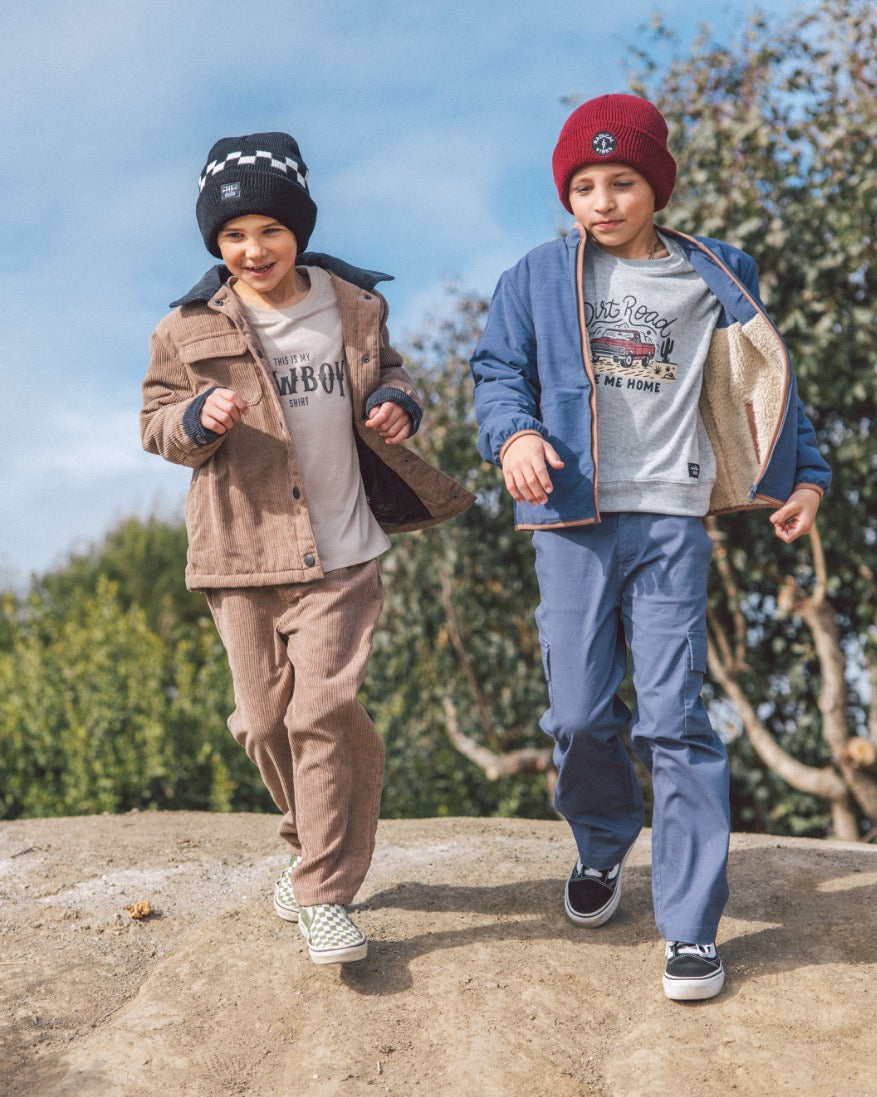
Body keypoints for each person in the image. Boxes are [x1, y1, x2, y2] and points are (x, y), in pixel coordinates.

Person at [470, 94, 830, 1000]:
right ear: (566, 195)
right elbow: (497, 372)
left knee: (674, 719)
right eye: (583, 185)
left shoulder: (715, 272)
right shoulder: (535, 276)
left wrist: (807, 477)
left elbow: (768, 380)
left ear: (656, 186)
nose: (601, 200)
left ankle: (691, 927)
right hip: (571, 519)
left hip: (672, 519)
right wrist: (514, 436)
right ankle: (601, 844)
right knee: (578, 715)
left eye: (621, 181)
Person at [141, 131, 472, 965]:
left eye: (270, 230)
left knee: (319, 713)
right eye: (233, 235)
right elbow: (153, 422)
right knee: (262, 723)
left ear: (299, 229)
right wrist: (193, 420)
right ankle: (310, 838)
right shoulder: (183, 328)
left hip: (343, 550)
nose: (253, 249)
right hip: (240, 553)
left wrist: (399, 403)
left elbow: (390, 373)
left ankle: (325, 893)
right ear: (215, 243)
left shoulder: (353, 305)